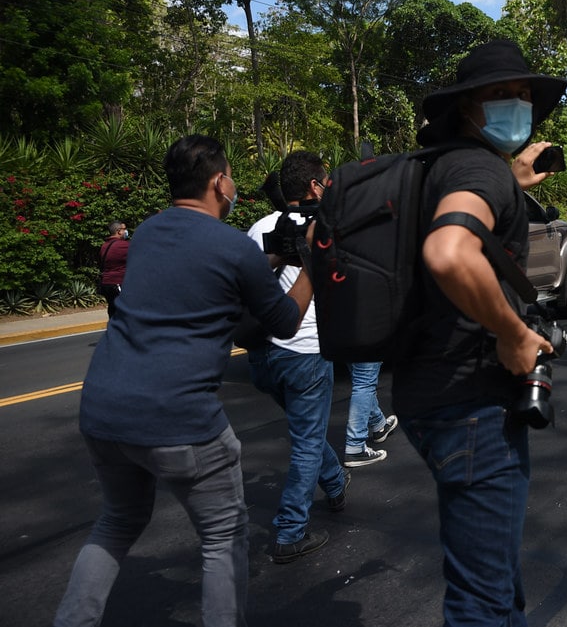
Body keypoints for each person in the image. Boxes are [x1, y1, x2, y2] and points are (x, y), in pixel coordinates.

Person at [53, 135, 314, 627]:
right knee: (221, 535)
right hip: (179, 419)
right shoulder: (232, 245)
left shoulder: (148, 233)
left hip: (102, 409)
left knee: (116, 522)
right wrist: (314, 268)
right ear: (220, 182)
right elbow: (281, 321)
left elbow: (206, 272)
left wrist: (273, 260)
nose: (234, 185)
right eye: (231, 176)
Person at [391, 39, 566, 626]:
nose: (515, 105)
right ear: (465, 107)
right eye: (498, 96)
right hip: (471, 407)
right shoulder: (477, 169)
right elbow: (449, 252)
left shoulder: (437, 167)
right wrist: (512, 332)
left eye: (522, 96)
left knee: (494, 580)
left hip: (424, 391)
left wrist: (511, 180)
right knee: (481, 600)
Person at [246, 150, 354, 564]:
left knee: (305, 431)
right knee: (307, 440)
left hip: (262, 356)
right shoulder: (324, 229)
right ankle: (290, 531)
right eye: (324, 181)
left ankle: (336, 484)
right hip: (305, 351)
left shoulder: (259, 227)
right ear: (313, 186)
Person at [97, 220, 130, 317]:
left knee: (114, 311)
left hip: (106, 284)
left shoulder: (105, 246)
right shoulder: (122, 245)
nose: (126, 232)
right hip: (117, 283)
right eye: (124, 229)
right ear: (119, 231)